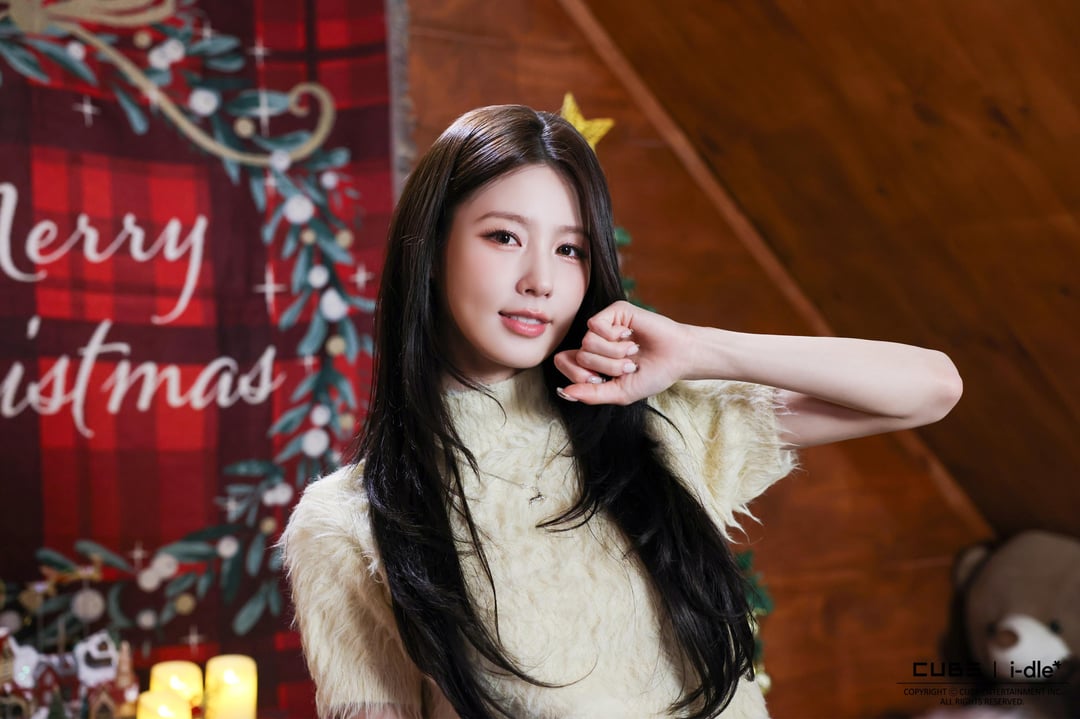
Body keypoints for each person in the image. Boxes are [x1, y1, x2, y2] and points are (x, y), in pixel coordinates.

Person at [281, 104, 963, 719]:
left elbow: (932, 387)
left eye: (570, 249)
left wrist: (697, 349)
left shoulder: (652, 425)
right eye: (504, 237)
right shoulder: (346, 524)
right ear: (432, 249)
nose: (541, 281)